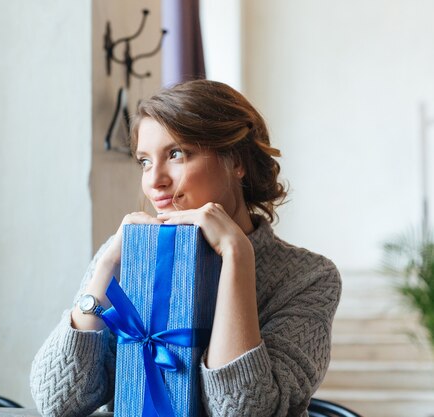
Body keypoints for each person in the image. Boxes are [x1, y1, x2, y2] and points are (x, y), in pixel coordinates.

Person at [30, 80, 341, 417]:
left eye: (176, 154)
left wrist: (237, 256)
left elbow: (243, 411)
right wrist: (106, 267)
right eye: (145, 161)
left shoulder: (310, 277)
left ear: (236, 160)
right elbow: (56, 401)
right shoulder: (125, 256)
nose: (154, 180)